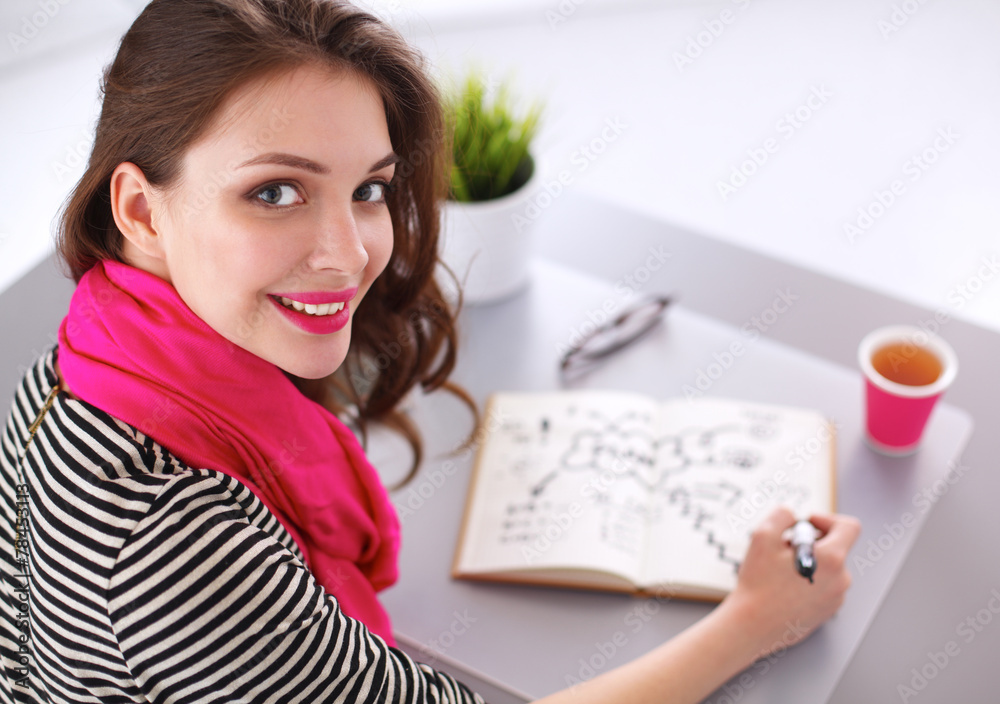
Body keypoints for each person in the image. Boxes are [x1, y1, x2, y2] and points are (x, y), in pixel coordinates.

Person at [0, 0, 861, 702]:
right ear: (142, 212)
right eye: (276, 191)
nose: (350, 254)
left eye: (369, 188)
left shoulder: (92, 358)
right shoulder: (171, 547)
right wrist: (754, 620)